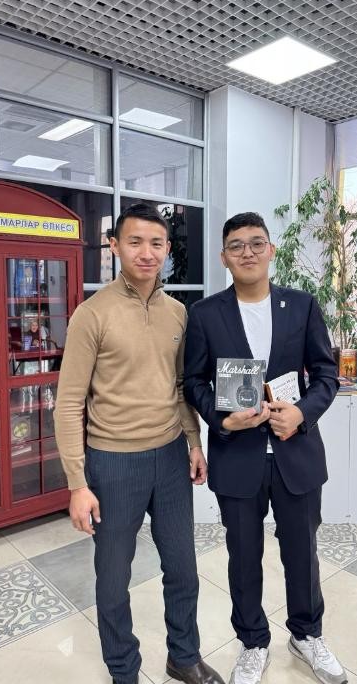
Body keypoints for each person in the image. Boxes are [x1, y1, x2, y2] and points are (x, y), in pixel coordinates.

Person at [54, 203, 224, 684]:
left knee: (183, 567)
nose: (146, 253)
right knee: (113, 579)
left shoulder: (178, 313)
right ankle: (123, 670)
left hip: (170, 458)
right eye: (135, 242)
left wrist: (193, 441)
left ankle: (184, 656)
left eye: (156, 243)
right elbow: (68, 403)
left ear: (168, 249)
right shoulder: (92, 314)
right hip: (112, 463)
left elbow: (180, 386)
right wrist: (77, 484)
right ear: (114, 246)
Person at [184, 212, 347, 684]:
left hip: (296, 454)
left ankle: (307, 634)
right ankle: (253, 642)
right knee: (243, 557)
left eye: (257, 243)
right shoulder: (205, 314)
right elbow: (193, 381)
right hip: (238, 456)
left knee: (302, 553)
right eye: (236, 245)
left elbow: (326, 374)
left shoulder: (302, 305)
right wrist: (221, 419)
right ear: (224, 258)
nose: (248, 252)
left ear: (271, 250)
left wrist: (302, 413)